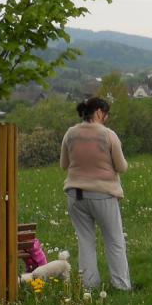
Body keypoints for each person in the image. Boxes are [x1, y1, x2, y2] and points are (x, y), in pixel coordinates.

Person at [60, 96, 132, 291]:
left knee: (85, 241)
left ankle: (89, 287)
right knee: (114, 240)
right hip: (102, 194)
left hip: (75, 195)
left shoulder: (70, 134)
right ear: (99, 112)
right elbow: (121, 166)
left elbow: (64, 164)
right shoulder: (108, 135)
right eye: (106, 114)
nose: (106, 118)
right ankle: (121, 285)